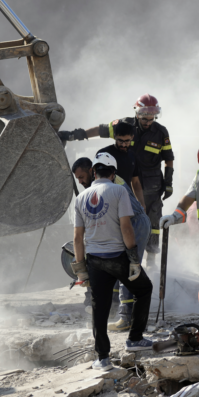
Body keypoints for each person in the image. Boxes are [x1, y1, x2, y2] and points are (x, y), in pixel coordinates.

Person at [60, 94, 174, 266]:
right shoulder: (124, 125)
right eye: (144, 118)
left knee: (153, 219)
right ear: (137, 113)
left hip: (152, 183)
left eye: (151, 119)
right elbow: (100, 130)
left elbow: (168, 158)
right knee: (122, 218)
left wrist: (168, 182)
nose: (148, 122)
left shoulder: (161, 132)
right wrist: (75, 135)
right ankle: (122, 255)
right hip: (126, 181)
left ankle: (151, 260)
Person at [71, 152, 154, 366]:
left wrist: (81, 271)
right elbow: (126, 228)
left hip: (95, 260)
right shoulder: (119, 191)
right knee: (144, 290)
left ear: (93, 171)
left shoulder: (81, 198)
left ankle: (103, 359)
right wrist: (134, 260)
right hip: (118, 258)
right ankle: (135, 338)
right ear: (113, 172)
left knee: (100, 307)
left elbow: (77, 238)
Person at [96, 121, 146, 208]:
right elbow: (96, 181)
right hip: (106, 202)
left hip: (126, 201)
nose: (123, 145)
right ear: (115, 136)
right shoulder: (103, 154)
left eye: (127, 141)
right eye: (120, 141)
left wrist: (142, 204)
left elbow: (136, 182)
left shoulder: (132, 156)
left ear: (132, 138)